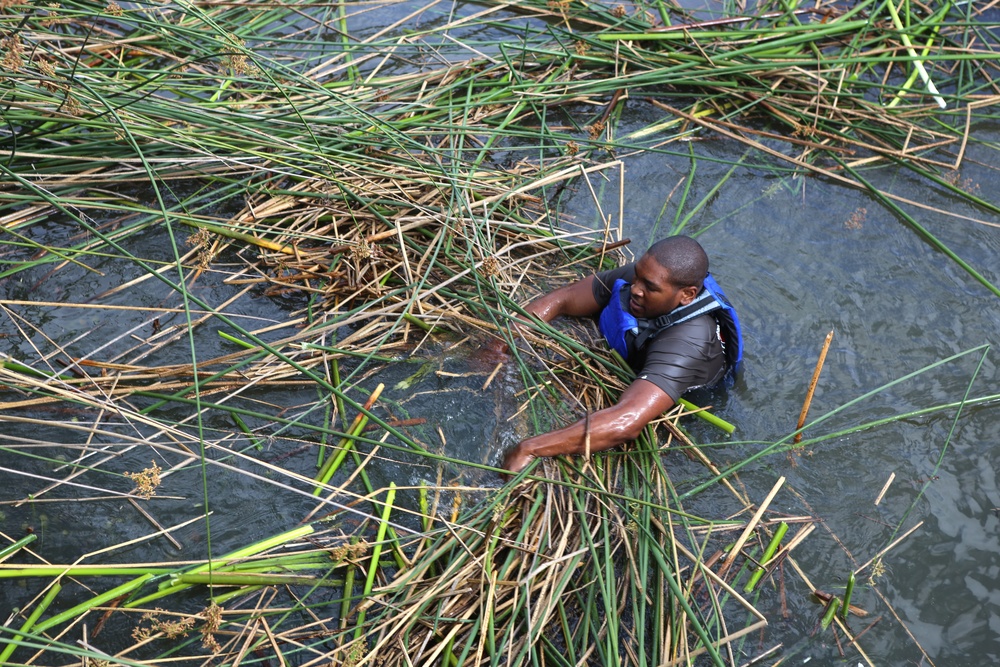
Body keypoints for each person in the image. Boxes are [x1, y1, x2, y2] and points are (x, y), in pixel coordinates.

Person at [501, 235, 742, 473]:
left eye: (649, 287)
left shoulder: (688, 341)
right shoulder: (647, 278)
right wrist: (499, 344)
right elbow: (566, 297)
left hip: (687, 404)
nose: (635, 289)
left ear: (687, 295)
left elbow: (626, 423)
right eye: (637, 275)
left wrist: (530, 448)